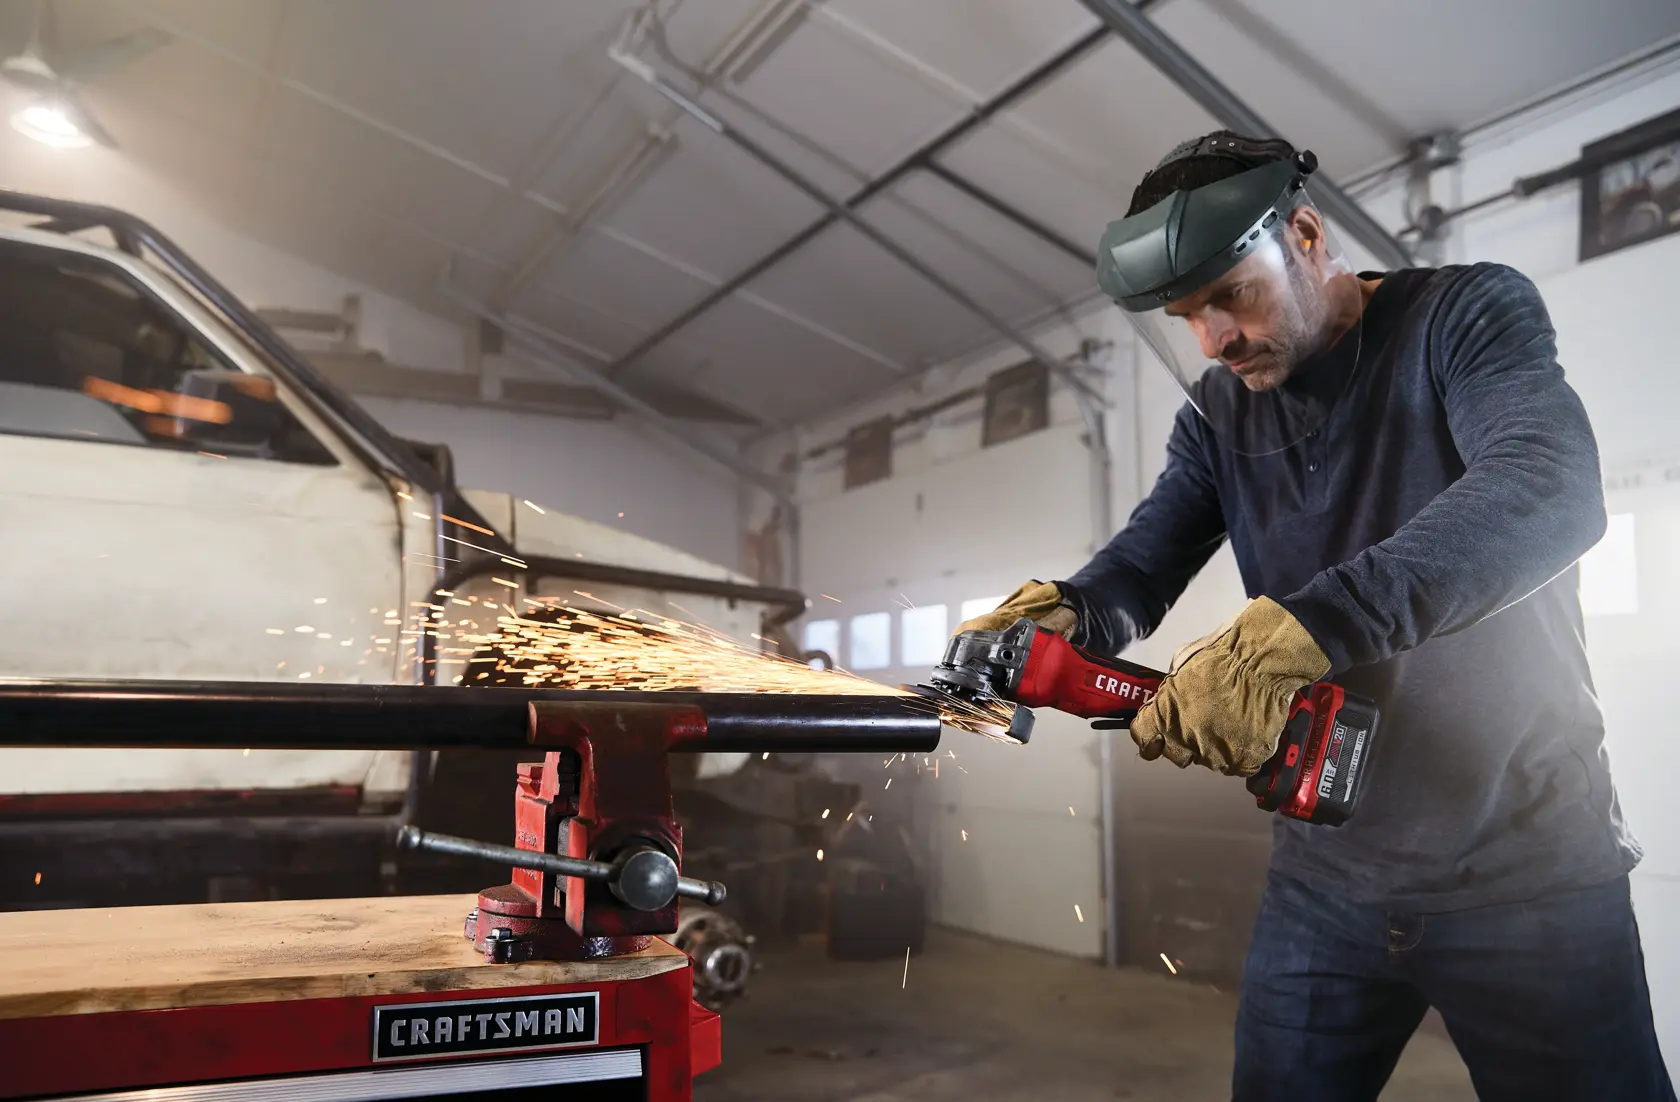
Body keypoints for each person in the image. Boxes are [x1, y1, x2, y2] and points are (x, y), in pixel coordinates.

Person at [960, 131, 1672, 1101]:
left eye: (1230, 297)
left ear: (1304, 233)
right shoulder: (1220, 416)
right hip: (1326, 884)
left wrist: (1314, 625)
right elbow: (1141, 564)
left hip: (1531, 869)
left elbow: (1549, 487)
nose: (1215, 339)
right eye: (1187, 317)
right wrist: (1071, 612)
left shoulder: (1464, 317)